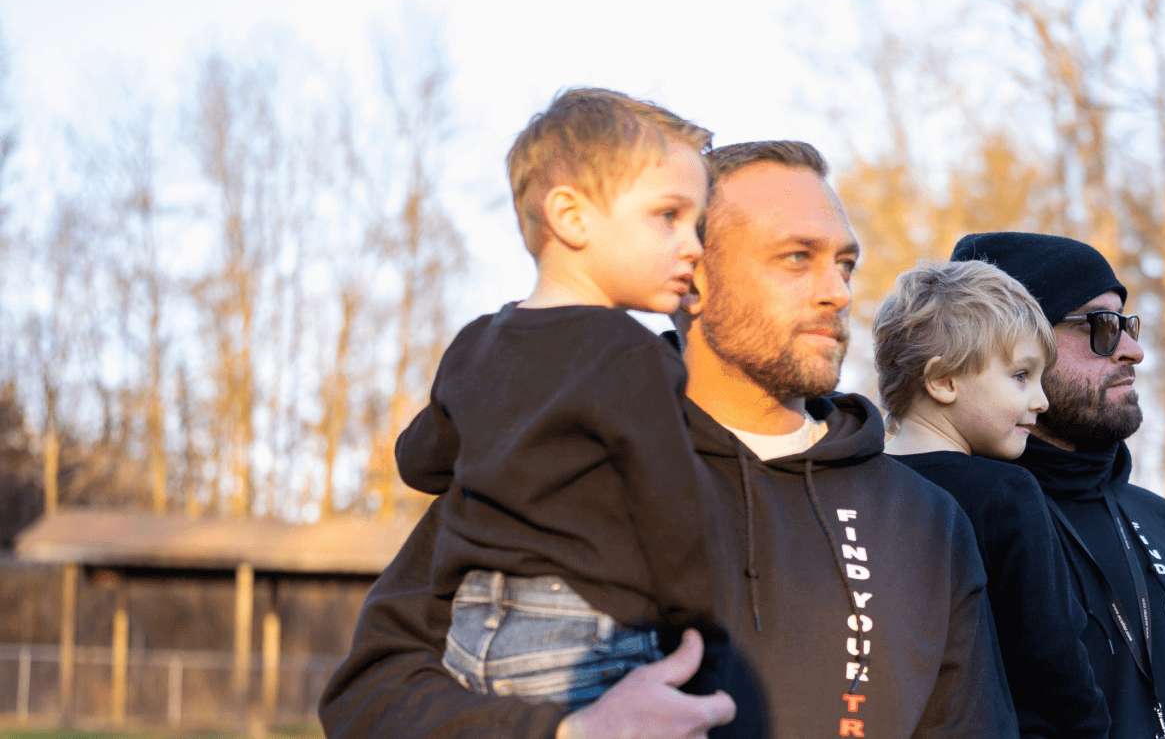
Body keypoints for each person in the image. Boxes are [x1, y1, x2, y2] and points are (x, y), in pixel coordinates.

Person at [321, 141, 1017, 739]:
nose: (837, 290)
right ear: (693, 277)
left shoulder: (924, 522)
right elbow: (370, 695)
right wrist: (567, 734)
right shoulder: (553, 458)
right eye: (796, 258)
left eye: (845, 263)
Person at [390, 88, 732, 721]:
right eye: (668, 217)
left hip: (466, 635)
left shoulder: (476, 343)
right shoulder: (630, 353)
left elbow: (419, 461)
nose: (692, 245)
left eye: (698, 224)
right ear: (572, 218)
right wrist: (702, 628)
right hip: (582, 633)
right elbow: (675, 509)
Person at [949, 231, 1165, 739]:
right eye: (1101, 325)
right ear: (1009, 345)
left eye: (1127, 324)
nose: (1133, 351)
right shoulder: (951, 514)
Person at [876, 260, 1111, 739]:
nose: (1041, 401)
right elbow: (1053, 657)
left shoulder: (857, 485)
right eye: (1021, 376)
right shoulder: (1007, 492)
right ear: (943, 380)